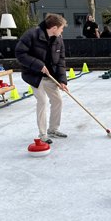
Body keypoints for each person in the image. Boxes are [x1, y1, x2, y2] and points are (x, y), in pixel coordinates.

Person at [15, 13, 68, 144]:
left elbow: (61, 61)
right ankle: (43, 134)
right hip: (34, 75)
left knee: (58, 101)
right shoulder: (32, 35)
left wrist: (62, 80)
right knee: (42, 101)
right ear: (54, 28)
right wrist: (38, 65)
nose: (62, 31)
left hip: (51, 77)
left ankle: (53, 129)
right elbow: (20, 53)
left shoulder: (59, 39)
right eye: (61, 28)